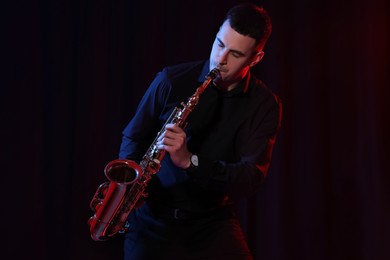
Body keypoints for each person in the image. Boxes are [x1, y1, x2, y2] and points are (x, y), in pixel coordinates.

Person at [118, 3, 282, 260]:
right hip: (152, 220)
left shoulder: (263, 105)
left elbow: (251, 178)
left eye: (236, 54)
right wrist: (126, 189)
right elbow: (134, 135)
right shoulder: (171, 80)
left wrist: (190, 161)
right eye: (219, 43)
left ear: (256, 58)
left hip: (211, 223)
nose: (220, 59)